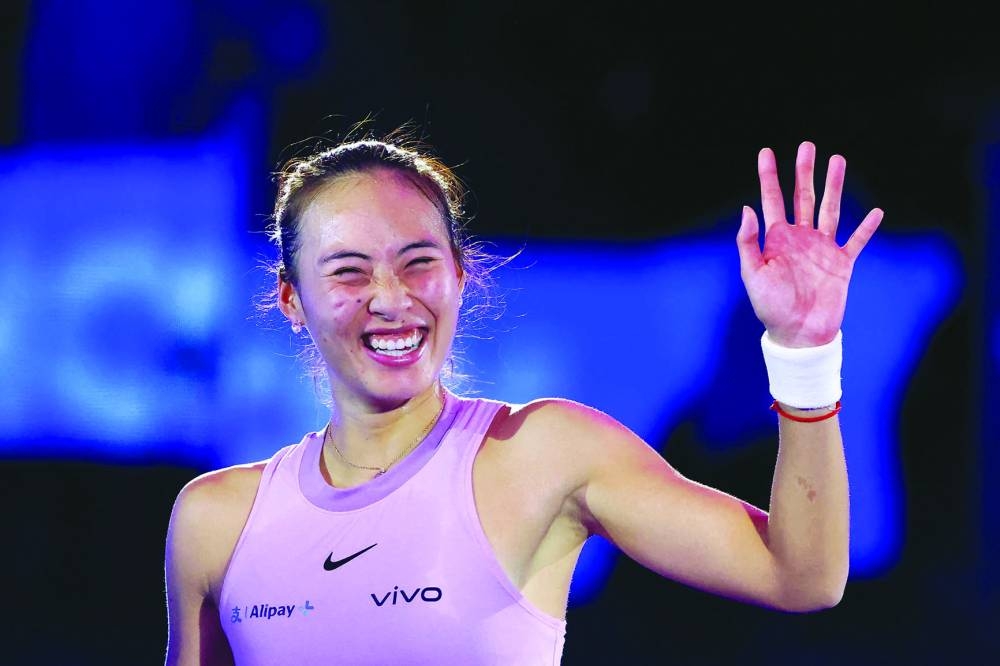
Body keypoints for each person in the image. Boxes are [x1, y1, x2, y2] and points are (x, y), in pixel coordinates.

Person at [164, 136, 883, 665]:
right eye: (349, 272)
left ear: (460, 276)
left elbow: (803, 576)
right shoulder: (216, 521)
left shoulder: (545, 455)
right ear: (292, 299)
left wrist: (804, 351)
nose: (390, 298)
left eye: (419, 262)